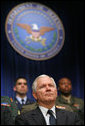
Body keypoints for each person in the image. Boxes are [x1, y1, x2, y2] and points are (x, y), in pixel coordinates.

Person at [15, 74, 82, 125]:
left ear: (56, 92)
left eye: (51, 85)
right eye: (43, 86)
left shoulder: (72, 117)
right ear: (35, 95)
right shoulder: (24, 119)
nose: (48, 89)